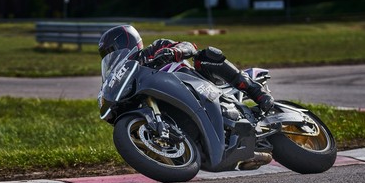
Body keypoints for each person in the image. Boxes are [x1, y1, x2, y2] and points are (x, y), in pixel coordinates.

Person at [98, 25, 274, 112]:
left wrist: (173, 51)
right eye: (108, 54)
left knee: (206, 56)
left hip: (199, 84)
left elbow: (189, 46)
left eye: (114, 49)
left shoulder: (155, 48)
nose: (112, 55)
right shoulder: (128, 76)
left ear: (127, 41)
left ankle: (255, 90)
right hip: (173, 101)